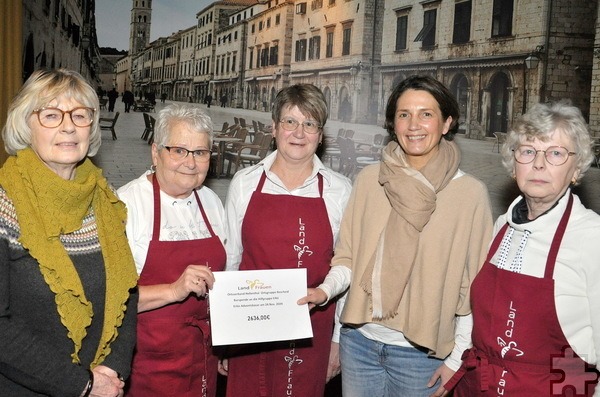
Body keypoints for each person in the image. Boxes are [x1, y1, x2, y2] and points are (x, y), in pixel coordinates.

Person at [299, 75, 494, 396]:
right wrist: (334, 325)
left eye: (426, 114)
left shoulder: (470, 194)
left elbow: (476, 286)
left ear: (447, 123)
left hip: (422, 356)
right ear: (393, 124)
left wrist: (458, 358)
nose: (414, 124)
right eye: (404, 114)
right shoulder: (369, 180)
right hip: (359, 344)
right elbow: (348, 259)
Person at [0, 68, 138, 396]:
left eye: (80, 115)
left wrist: (111, 369)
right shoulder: (4, 206)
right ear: (25, 125)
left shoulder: (104, 201)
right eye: (51, 114)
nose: (68, 126)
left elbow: (126, 293)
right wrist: (83, 385)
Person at [447, 101, 600, 396]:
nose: (539, 164)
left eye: (555, 153)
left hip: (555, 388)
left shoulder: (591, 235)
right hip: (480, 386)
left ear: (576, 168)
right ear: (514, 161)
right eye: (528, 151)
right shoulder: (503, 225)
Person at [222, 84, 353, 396]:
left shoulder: (340, 190)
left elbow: (349, 264)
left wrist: (338, 341)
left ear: (321, 135)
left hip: (312, 331)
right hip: (248, 329)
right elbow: (230, 261)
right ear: (274, 128)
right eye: (290, 122)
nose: (299, 132)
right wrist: (225, 334)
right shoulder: (245, 183)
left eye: (310, 124)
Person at [117, 103, 226, 397]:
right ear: (156, 153)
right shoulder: (126, 205)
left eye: (201, 152)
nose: (190, 163)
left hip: (204, 359)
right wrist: (174, 290)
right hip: (149, 364)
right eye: (179, 150)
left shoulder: (212, 202)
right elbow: (109, 301)